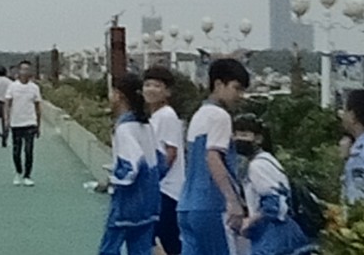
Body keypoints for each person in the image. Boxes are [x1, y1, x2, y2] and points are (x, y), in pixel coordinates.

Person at [175, 58, 249, 255]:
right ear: (218, 84)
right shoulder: (220, 116)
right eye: (236, 88)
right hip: (212, 206)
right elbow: (213, 157)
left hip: (187, 206)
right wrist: (232, 201)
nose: (240, 96)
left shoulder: (199, 114)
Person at [96, 74, 161, 255]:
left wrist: (111, 180)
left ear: (119, 95)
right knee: (141, 250)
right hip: (150, 200)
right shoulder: (146, 125)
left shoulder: (124, 128)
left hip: (129, 201)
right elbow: (160, 160)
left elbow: (131, 167)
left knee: (109, 249)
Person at [233, 116, 314, 255]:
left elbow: (273, 204)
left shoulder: (258, 166)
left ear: (258, 139)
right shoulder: (268, 160)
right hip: (282, 232)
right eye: (235, 134)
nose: (237, 139)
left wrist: (249, 222)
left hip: (272, 235)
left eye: (244, 134)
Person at [141, 66, 184, 255]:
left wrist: (153, 180)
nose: (151, 89)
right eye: (147, 84)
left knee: (168, 239)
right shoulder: (155, 116)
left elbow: (171, 152)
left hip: (167, 189)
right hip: (158, 188)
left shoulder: (167, 115)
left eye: (157, 86)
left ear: (167, 92)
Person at [4, 61, 42, 185]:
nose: (25, 72)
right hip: (16, 123)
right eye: (23, 69)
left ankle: (27, 175)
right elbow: (7, 104)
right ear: (19, 71)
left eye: (27, 69)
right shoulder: (13, 86)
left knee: (29, 150)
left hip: (30, 122)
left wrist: (38, 124)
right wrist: (6, 119)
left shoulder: (34, 88)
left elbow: (38, 106)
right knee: (17, 150)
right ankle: (18, 172)